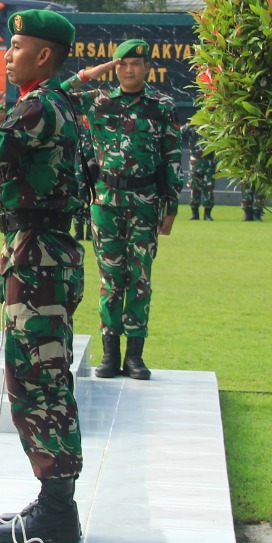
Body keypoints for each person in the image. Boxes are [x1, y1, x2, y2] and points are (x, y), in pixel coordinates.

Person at [0, 8, 86, 543]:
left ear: (43, 55)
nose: (7, 55)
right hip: (38, 251)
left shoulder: (41, 104)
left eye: (17, 45)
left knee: (37, 381)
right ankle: (54, 498)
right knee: (39, 377)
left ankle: (57, 508)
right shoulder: (49, 101)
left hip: (39, 254)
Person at [64, 40, 182, 381]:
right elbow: (58, 94)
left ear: (147, 67)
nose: (129, 69)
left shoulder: (161, 106)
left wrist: (171, 206)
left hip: (145, 202)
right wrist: (93, 72)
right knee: (111, 281)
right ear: (114, 68)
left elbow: (172, 156)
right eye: (122, 64)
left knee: (140, 280)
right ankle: (110, 354)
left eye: (135, 63)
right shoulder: (98, 101)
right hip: (106, 203)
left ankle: (135, 357)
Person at [189, 140, 216, 221]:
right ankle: (194, 213)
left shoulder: (212, 130)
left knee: (208, 188)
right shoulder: (192, 129)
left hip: (209, 162)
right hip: (195, 162)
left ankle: (207, 214)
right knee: (194, 188)